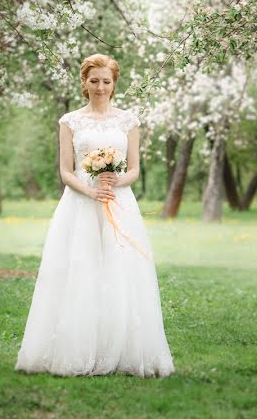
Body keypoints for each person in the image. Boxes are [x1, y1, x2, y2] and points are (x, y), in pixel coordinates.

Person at [14, 53, 175, 377]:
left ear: (114, 84)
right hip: (80, 206)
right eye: (94, 81)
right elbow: (65, 172)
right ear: (84, 83)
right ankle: (75, 348)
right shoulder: (70, 121)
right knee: (80, 270)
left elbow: (134, 170)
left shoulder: (128, 121)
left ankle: (121, 350)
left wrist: (114, 182)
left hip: (118, 203)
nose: (100, 87)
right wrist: (90, 191)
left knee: (119, 272)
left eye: (106, 81)